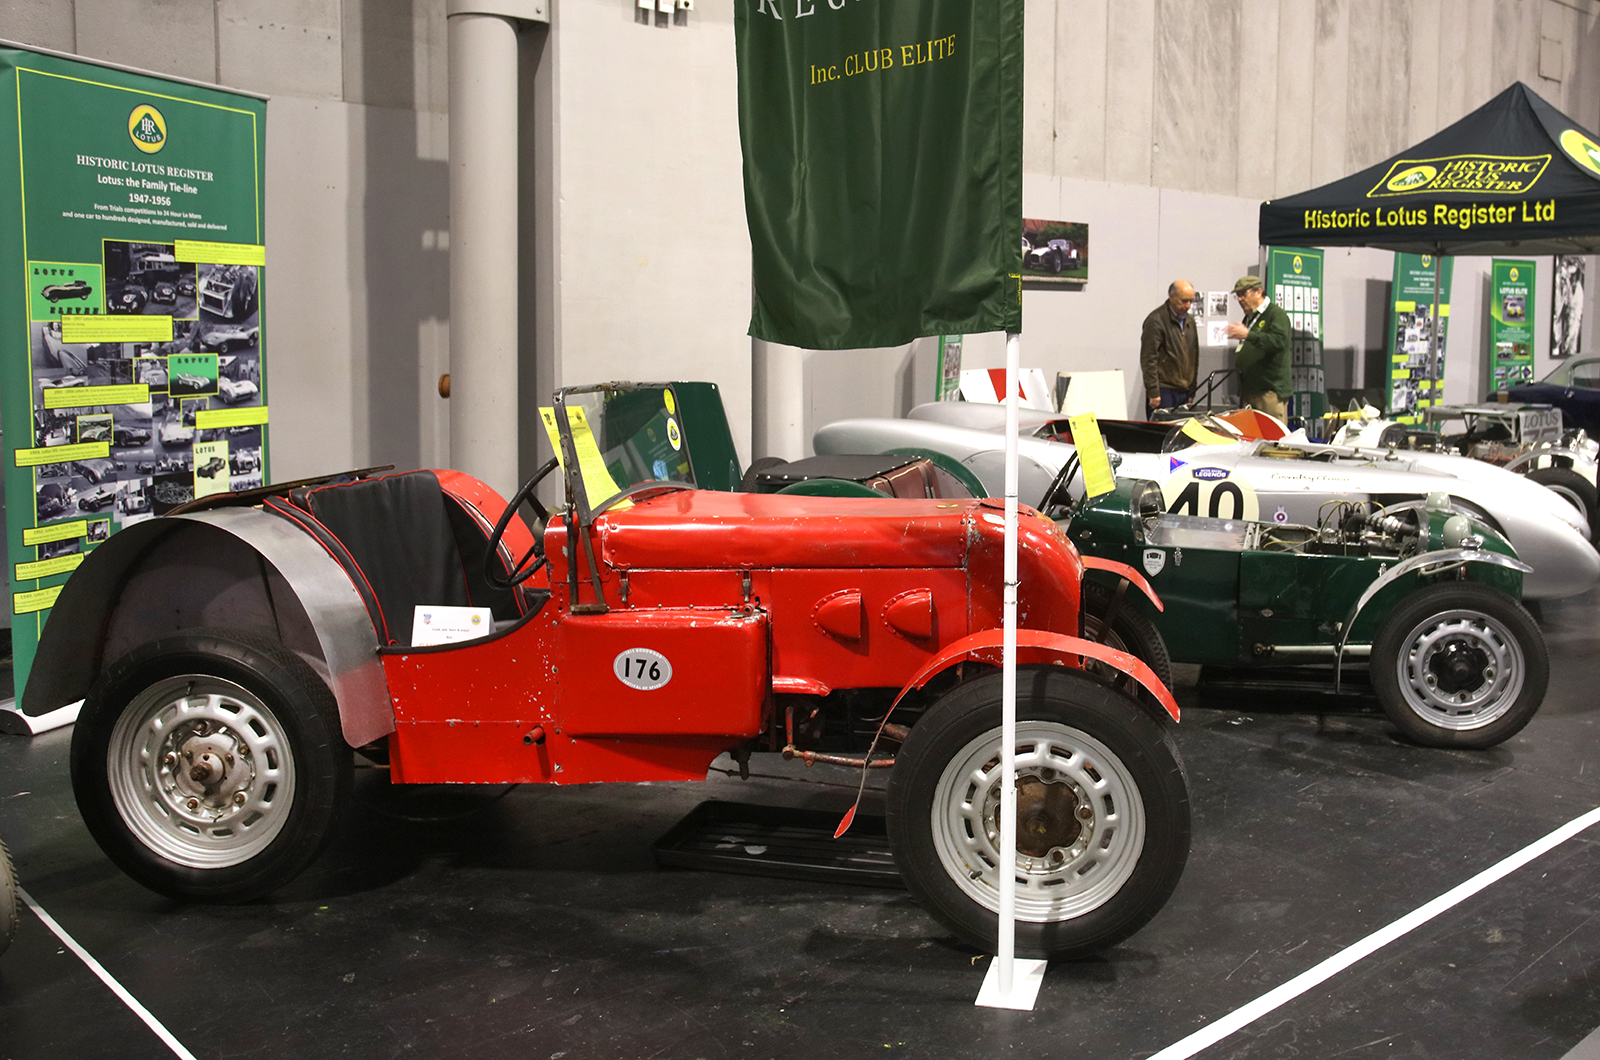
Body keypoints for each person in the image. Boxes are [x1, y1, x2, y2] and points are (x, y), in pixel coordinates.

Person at [1226, 275, 1291, 419]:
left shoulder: (1276, 314)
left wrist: (1249, 335)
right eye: (1238, 296)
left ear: (1259, 292)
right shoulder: (1249, 317)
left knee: (1272, 437)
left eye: (1244, 294)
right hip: (1250, 390)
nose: (1240, 299)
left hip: (1269, 392)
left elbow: (1278, 341)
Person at [1140, 280, 1199, 411]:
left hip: (1184, 391)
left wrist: (1192, 390)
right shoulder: (1156, 321)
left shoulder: (1190, 321)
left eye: (1191, 301)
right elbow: (1148, 359)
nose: (1188, 305)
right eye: (1184, 301)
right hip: (1163, 391)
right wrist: (1153, 391)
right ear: (1171, 297)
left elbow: (1194, 357)